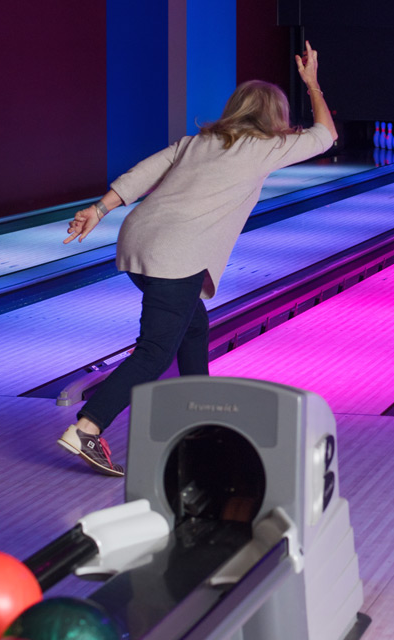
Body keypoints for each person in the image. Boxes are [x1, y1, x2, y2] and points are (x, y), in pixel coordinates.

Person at [55, 41, 337, 476]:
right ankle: (87, 428)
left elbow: (144, 172)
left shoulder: (197, 141)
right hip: (175, 254)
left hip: (137, 239)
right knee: (153, 351)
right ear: (274, 119)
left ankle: (197, 418)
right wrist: (313, 84)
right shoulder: (268, 148)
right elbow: (325, 136)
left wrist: (99, 208)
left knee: (193, 327)